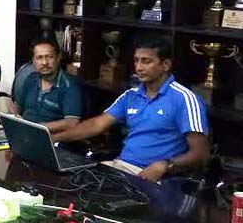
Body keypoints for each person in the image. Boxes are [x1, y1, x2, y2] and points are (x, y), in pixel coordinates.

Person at [52, 40, 210, 182]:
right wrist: (53, 138)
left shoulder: (184, 99)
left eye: (146, 61)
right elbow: (96, 124)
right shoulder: (131, 95)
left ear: (165, 65)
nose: (139, 67)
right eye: (136, 61)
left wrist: (166, 165)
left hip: (157, 177)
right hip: (121, 167)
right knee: (68, 182)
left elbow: (201, 154)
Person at [13, 38, 82, 133]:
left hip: (52, 138)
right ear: (33, 60)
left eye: (49, 57)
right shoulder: (31, 79)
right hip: (24, 133)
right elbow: (18, 105)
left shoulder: (70, 85)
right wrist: (14, 117)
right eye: (39, 57)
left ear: (58, 57)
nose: (44, 62)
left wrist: (37, 127)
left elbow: (72, 122)